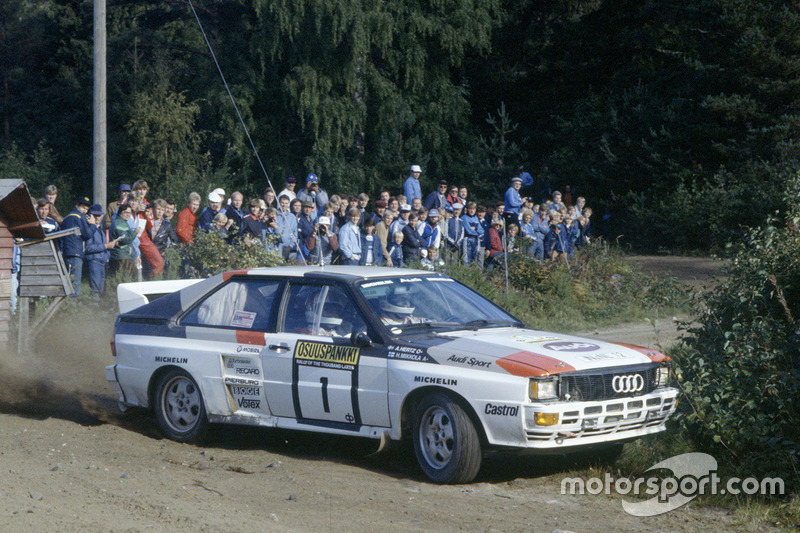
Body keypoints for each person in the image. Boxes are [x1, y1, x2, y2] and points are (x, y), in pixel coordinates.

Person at [61, 195, 92, 296]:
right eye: (83, 207)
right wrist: (92, 225)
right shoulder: (80, 217)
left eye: (87, 209)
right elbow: (87, 235)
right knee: (75, 285)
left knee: (67, 284)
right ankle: (73, 308)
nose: (85, 211)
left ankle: (67, 306)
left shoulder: (66, 218)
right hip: (76, 254)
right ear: (77, 205)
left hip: (66, 253)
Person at [84, 204, 118, 296]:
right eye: (95, 215)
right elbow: (88, 248)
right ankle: (93, 308)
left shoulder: (100, 229)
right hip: (94, 261)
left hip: (102, 262)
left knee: (100, 290)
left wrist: (111, 245)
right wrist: (106, 246)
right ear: (90, 215)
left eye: (99, 215)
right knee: (95, 290)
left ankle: (96, 308)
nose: (97, 218)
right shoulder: (89, 229)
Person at [109, 203, 138, 278]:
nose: (128, 214)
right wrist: (135, 232)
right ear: (120, 212)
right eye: (126, 212)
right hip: (122, 257)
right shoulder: (120, 224)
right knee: (130, 280)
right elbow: (125, 239)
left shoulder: (122, 223)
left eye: (130, 213)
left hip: (121, 256)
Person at [275, 195, 299, 260]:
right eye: (282, 203)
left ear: (288, 204)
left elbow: (295, 233)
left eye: (286, 203)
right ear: (279, 203)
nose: (284, 205)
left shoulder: (292, 217)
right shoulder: (275, 214)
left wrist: (290, 245)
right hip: (276, 247)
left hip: (288, 247)